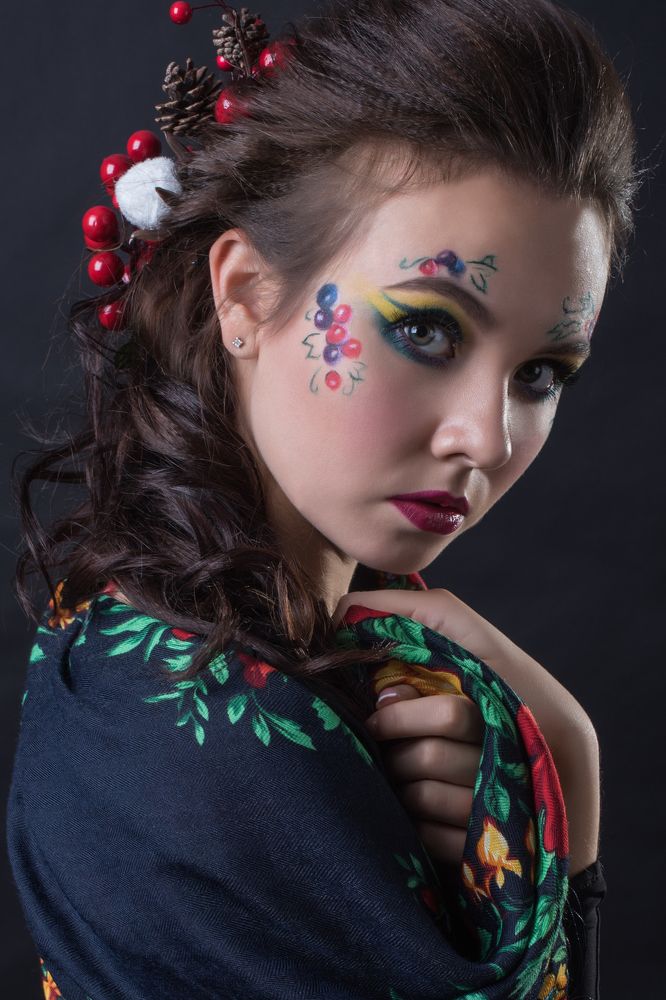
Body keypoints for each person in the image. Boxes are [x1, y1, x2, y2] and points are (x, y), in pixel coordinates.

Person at [6, 0, 640, 997]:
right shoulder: (200, 744)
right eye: (427, 330)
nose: (487, 437)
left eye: (540, 374)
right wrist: (567, 822)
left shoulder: (228, 640)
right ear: (246, 293)